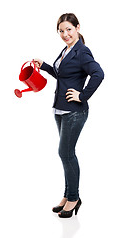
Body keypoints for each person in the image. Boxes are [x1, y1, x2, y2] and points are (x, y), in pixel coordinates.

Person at [33, 13, 104, 218]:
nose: (65, 34)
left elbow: (98, 74)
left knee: (66, 153)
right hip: (61, 109)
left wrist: (82, 96)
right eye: (61, 31)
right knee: (66, 154)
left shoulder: (82, 52)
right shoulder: (66, 50)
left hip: (74, 112)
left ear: (78, 28)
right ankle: (68, 195)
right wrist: (44, 65)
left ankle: (74, 198)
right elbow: (62, 74)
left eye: (69, 29)